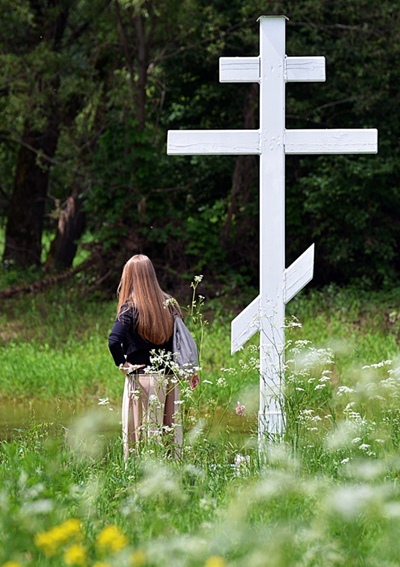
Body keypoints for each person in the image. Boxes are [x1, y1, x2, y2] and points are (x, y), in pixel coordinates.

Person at [108, 254, 199, 460]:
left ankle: (143, 482)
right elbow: (181, 338)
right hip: (170, 379)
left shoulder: (130, 308)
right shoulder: (170, 303)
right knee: (170, 437)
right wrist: (192, 369)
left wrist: (122, 364)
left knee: (143, 439)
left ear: (129, 277)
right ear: (151, 275)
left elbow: (114, 340)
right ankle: (172, 479)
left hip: (144, 380)